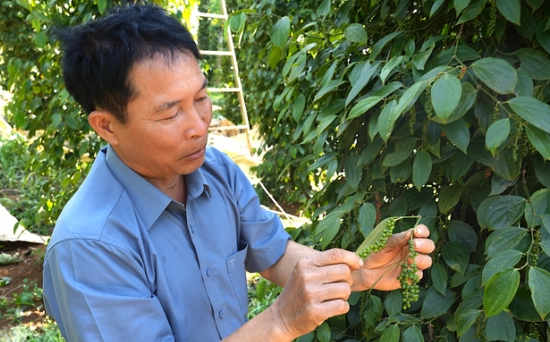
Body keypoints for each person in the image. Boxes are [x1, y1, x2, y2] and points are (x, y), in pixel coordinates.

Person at [42, 4, 435, 341]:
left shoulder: (216, 172)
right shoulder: (90, 247)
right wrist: (279, 321)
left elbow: (274, 254)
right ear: (107, 125)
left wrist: (358, 271)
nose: (199, 125)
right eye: (169, 112)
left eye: (200, 98)